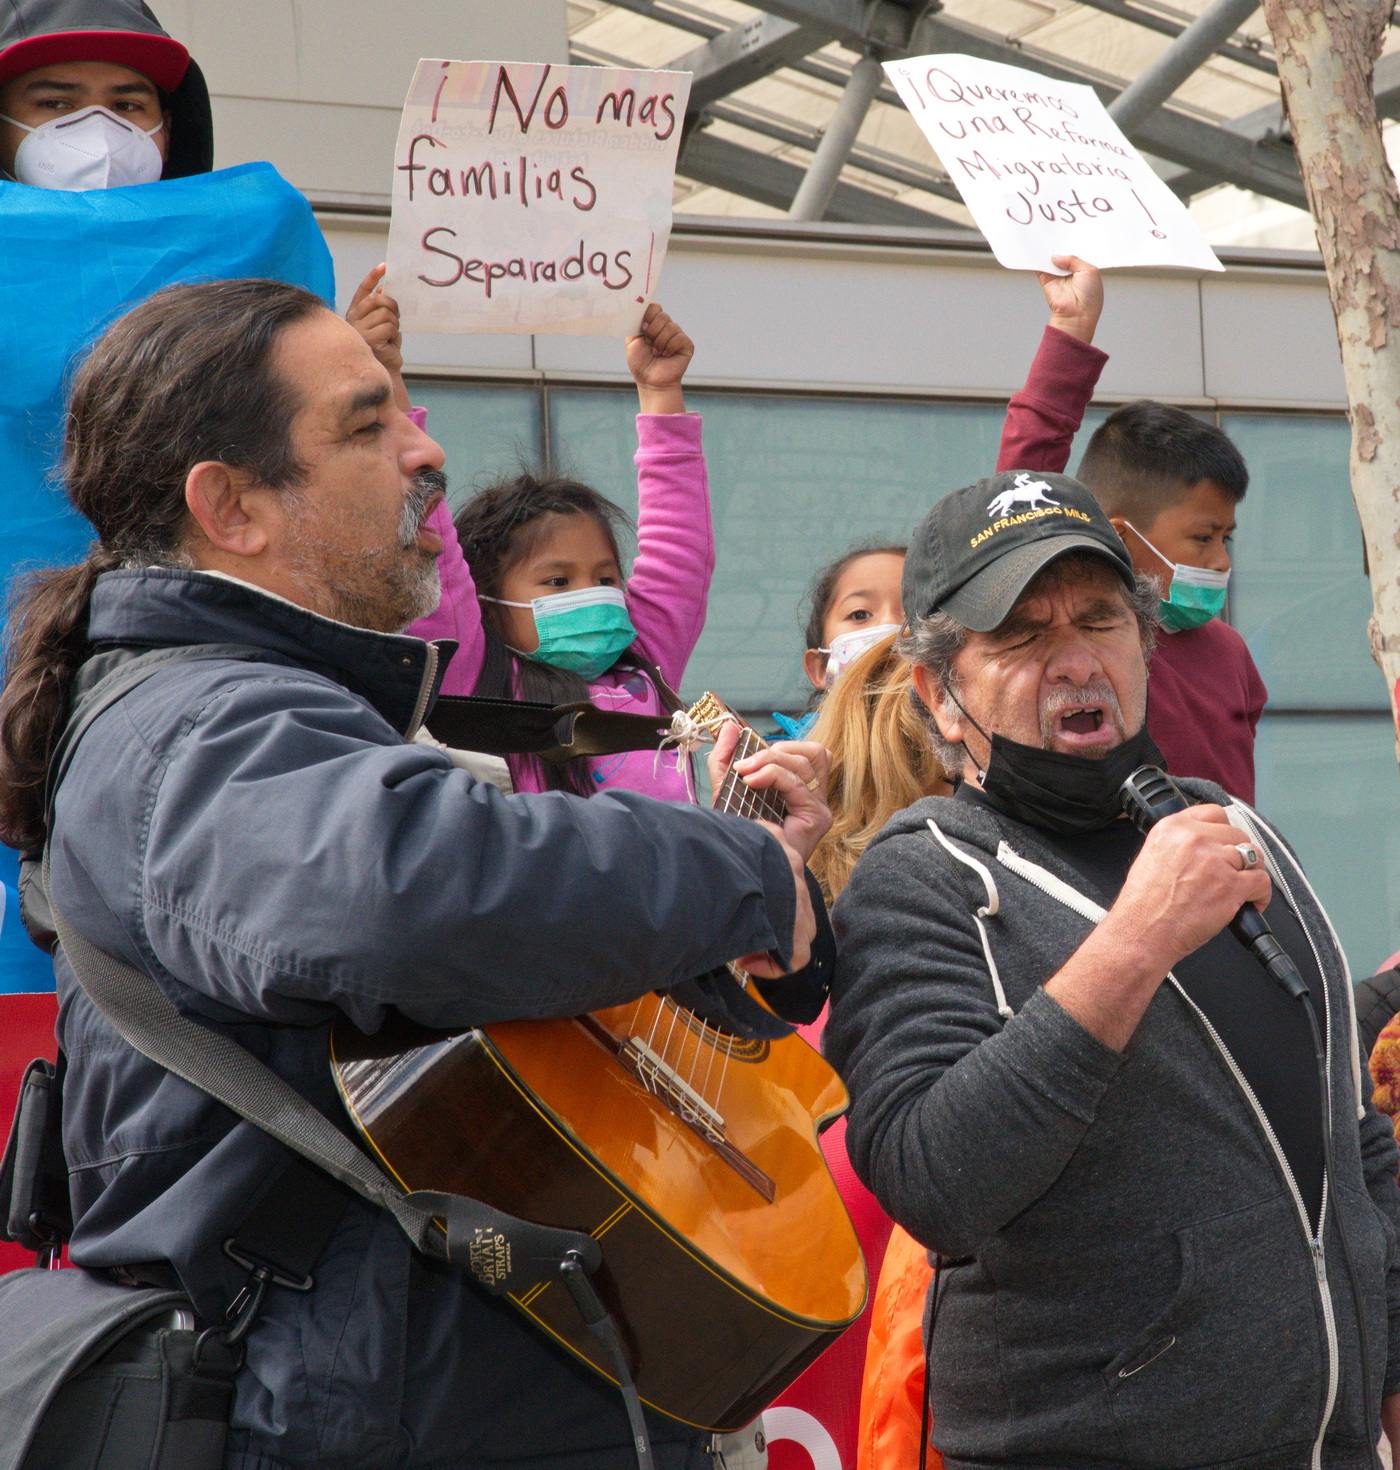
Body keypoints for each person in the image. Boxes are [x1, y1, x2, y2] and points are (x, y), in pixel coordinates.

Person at [0, 276, 830, 1470]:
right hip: (334, 1416)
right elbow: (404, 889)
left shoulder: (251, 711)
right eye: (366, 424)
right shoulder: (196, 725)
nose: (427, 451)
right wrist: (734, 869)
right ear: (231, 508)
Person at [825, 468, 1400, 1467]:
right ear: (939, 695)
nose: (1074, 660)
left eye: (1100, 620)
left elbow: (1355, 1146)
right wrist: (1135, 941)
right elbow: (934, 1181)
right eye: (1019, 636)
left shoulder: (1231, 827)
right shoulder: (922, 876)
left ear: (1142, 644)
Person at [0, 0, 331, 992]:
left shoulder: (255, 235)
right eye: (54, 101)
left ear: (171, 124)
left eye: (129, 102)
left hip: (179, 671)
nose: (97, 129)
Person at [773, 254, 1107, 741]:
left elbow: (1019, 498)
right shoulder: (781, 770)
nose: (890, 630)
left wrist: (1071, 329)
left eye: (912, 615)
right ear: (818, 665)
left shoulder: (978, 750)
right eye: (860, 614)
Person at [1077, 401, 1267, 803]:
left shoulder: (1229, 650)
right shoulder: (1080, 654)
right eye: (1203, 538)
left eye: (1226, 538)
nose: (1222, 561)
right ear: (1120, 537)